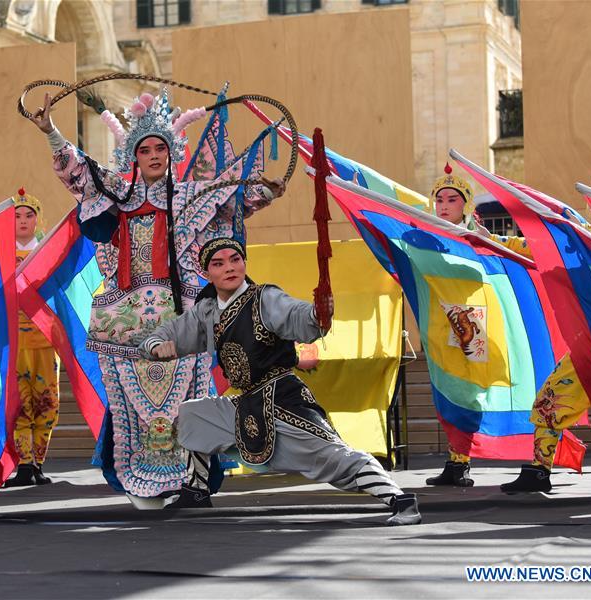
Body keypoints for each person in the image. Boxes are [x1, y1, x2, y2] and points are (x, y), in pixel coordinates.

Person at [24, 90, 283, 506]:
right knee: (130, 401)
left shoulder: (188, 196)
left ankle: (192, 483)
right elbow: (78, 174)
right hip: (125, 317)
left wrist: (266, 192)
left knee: (191, 398)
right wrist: (51, 131)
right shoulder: (116, 195)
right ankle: (138, 482)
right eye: (145, 149)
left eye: (161, 147)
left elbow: (232, 203)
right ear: (134, 156)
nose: (153, 155)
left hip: (181, 314)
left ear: (171, 151)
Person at [137, 237, 422, 524]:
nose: (229, 268)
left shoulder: (265, 298)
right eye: (218, 263)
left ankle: (400, 500)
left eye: (235, 260)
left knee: (334, 459)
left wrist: (317, 313)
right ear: (207, 273)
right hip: (247, 402)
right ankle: (196, 492)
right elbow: (169, 333)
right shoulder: (208, 311)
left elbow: (296, 314)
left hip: (283, 398)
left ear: (244, 263)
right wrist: (156, 347)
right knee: (194, 414)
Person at [500, 158, 591, 493]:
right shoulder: (579, 240)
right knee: (549, 401)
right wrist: (495, 241)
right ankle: (539, 471)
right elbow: (539, 246)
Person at [423, 164, 478, 487]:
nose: (443, 205)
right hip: (437, 323)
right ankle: (456, 462)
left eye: (452, 199)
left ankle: (463, 462)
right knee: (445, 392)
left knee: (467, 393)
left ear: (465, 205)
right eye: (439, 199)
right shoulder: (425, 236)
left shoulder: (477, 237)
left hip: (470, 323)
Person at [5, 188, 60, 487]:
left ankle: (38, 462)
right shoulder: (0, 257)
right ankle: (24, 464)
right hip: (13, 341)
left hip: (44, 338)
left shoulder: (48, 253)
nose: (23, 221)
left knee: (46, 401)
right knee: (19, 401)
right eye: (17, 216)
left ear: (38, 221)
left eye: (29, 215)